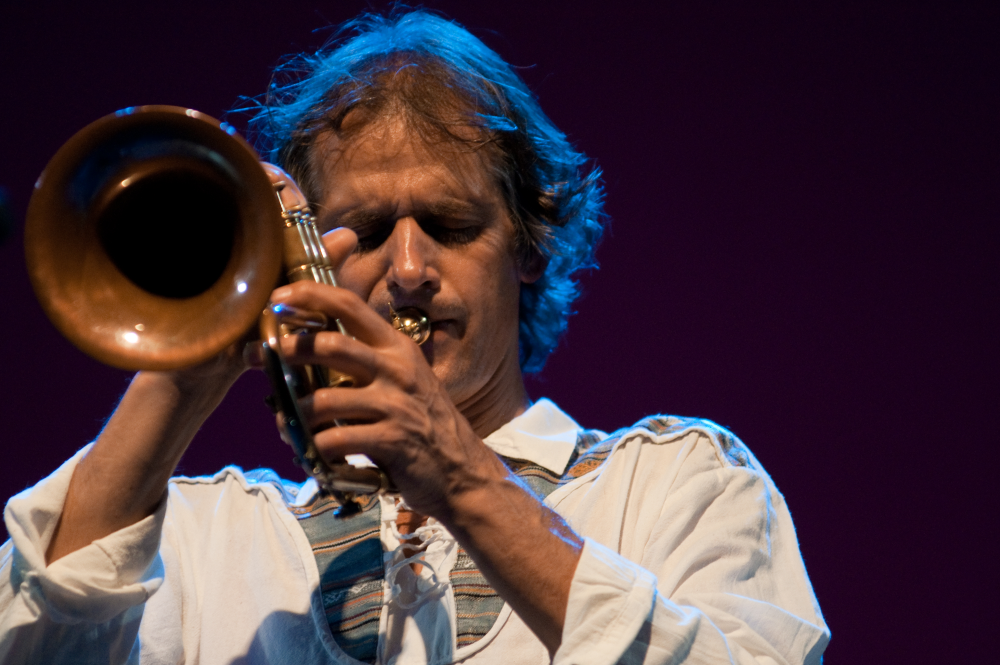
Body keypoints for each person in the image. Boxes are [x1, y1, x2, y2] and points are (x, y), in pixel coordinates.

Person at [0, 10, 829, 665]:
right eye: (360, 227)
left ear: (531, 246)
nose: (406, 269)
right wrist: (199, 339)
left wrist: (461, 478)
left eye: (449, 225)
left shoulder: (679, 484)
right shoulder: (205, 534)